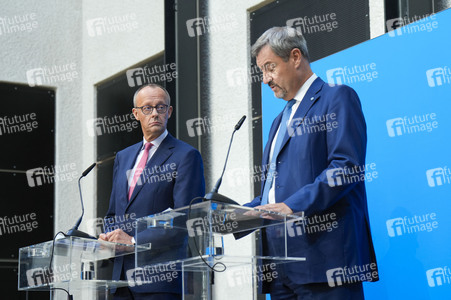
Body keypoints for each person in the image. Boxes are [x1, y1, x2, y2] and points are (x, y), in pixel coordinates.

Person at [245, 27, 378, 299]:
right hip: (281, 268)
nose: (265, 79)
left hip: (326, 263)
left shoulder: (336, 97)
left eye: (270, 67)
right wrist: (240, 214)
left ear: (295, 57)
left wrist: (293, 205)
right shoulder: (278, 121)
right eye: (261, 71)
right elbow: (277, 189)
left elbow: (346, 166)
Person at [99, 83, 205, 300]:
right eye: (147, 108)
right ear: (136, 114)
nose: (155, 113)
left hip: (160, 281)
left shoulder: (186, 156)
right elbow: (113, 213)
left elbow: (186, 216)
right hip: (120, 282)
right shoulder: (123, 157)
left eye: (161, 107)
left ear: (170, 112)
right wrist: (110, 237)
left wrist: (134, 242)